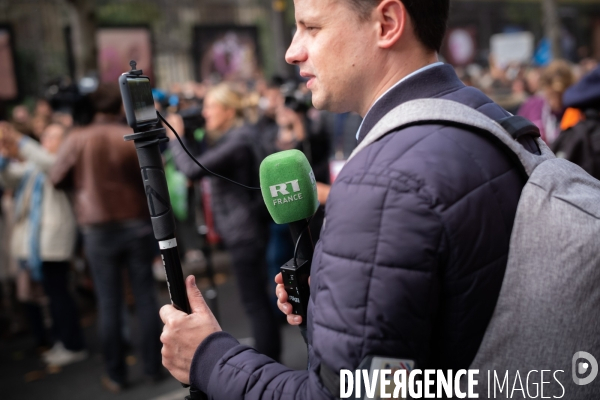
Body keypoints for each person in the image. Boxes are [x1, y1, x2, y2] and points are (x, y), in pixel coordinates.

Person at [159, 1, 531, 398]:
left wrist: (209, 357)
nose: (292, 51)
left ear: (387, 23)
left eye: (311, 27)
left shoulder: (380, 180)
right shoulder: (497, 121)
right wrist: (332, 305)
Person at [49, 83, 163, 392]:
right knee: (145, 297)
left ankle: (116, 374)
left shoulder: (77, 138)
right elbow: (153, 175)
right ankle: (154, 367)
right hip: (136, 224)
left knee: (109, 301)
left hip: (97, 230)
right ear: (119, 106)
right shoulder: (127, 135)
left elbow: (56, 177)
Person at [167, 83, 281, 361]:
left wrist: (176, 137)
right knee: (258, 299)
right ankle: (272, 359)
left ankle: (269, 364)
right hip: (248, 226)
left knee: (254, 302)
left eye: (210, 107)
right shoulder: (239, 135)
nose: (204, 113)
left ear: (229, 111)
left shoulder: (239, 140)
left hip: (244, 229)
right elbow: (201, 159)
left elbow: (194, 168)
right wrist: (192, 136)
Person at [0, 122, 84, 364]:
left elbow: (48, 162)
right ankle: (63, 341)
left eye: (52, 137)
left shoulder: (60, 161)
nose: (46, 141)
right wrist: (5, 155)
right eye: (44, 136)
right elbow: (10, 179)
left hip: (53, 239)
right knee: (52, 295)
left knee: (59, 295)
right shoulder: (36, 165)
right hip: (40, 242)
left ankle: (73, 344)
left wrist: (19, 139)